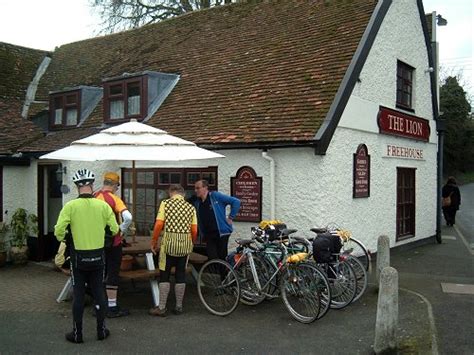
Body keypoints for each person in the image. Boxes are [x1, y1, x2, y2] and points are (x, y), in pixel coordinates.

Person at [55, 169, 119, 344]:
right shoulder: (103, 206)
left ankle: (77, 334)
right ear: (91, 186)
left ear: (77, 187)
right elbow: (114, 230)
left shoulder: (70, 206)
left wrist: (67, 236)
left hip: (78, 258)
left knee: (79, 294)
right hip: (98, 257)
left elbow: (59, 231)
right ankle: (101, 330)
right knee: (99, 293)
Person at [149, 184, 198, 316]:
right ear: (183, 194)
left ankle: (162, 307)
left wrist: (154, 241)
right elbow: (194, 229)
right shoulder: (191, 207)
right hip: (184, 246)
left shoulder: (166, 204)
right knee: (180, 275)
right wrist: (191, 242)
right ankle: (178, 307)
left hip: (168, 245)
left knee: (164, 275)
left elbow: (159, 224)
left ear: (171, 192)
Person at [94, 172, 133, 318]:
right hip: (113, 242)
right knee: (112, 273)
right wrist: (121, 230)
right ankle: (112, 306)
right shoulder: (114, 198)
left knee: (99, 273)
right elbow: (128, 217)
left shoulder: (94, 196)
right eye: (118, 185)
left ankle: (98, 304)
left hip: (95, 242)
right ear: (115, 185)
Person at [193, 180, 240, 261]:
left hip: (221, 233)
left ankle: (224, 273)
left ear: (205, 188)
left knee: (222, 257)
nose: (195, 190)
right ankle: (217, 273)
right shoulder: (198, 203)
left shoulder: (215, 196)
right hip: (209, 234)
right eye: (195, 188)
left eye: (198, 188)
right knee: (212, 257)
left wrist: (231, 217)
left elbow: (236, 201)